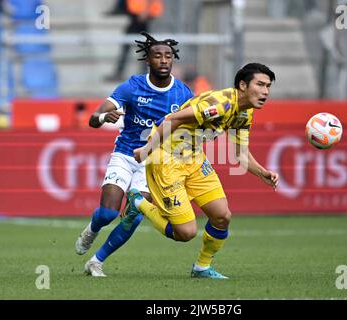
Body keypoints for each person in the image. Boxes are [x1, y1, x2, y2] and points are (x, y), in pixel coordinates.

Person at [122, 63, 279, 279]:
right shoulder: (220, 104)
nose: (265, 92)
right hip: (166, 157)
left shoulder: (244, 113)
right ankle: (138, 201)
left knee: (222, 216)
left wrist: (263, 173)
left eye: (268, 86)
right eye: (260, 85)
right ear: (243, 85)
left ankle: (202, 267)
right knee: (185, 233)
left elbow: (240, 154)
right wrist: (147, 150)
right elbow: (173, 118)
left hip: (194, 158)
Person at [77, 31, 193, 277]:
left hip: (154, 164)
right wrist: (102, 117)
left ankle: (96, 261)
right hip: (125, 155)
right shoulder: (131, 87)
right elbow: (92, 119)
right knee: (108, 213)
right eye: (157, 56)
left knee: (134, 214)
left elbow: (191, 129)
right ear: (147, 60)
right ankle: (92, 228)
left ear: (173, 60)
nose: (163, 60)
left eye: (168, 56)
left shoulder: (183, 94)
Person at [105, 0, 164, 82]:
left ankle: (143, 73)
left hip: (142, 16)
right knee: (129, 46)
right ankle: (121, 72)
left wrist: (145, 11)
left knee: (143, 48)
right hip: (137, 14)